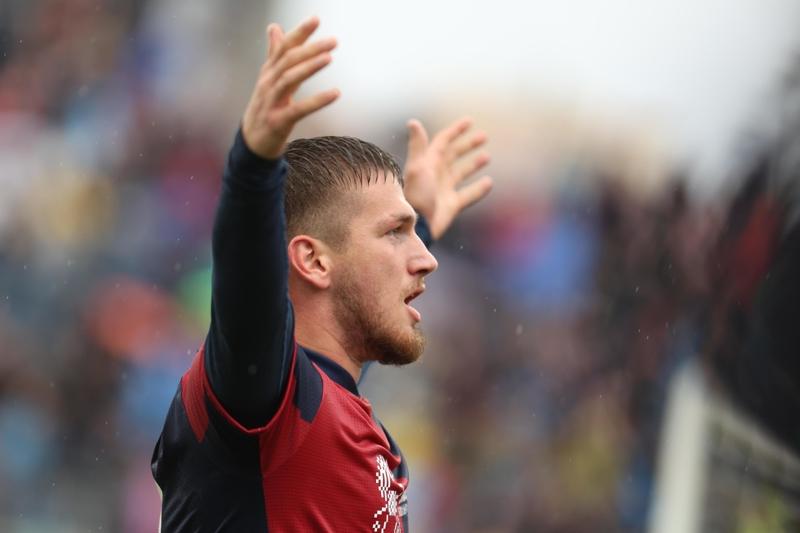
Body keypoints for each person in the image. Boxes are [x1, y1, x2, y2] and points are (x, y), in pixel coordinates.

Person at [151, 16, 492, 532]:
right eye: (395, 233)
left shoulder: (329, 406)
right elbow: (248, 292)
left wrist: (418, 216)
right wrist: (253, 164)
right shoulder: (265, 398)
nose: (427, 259)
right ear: (312, 260)